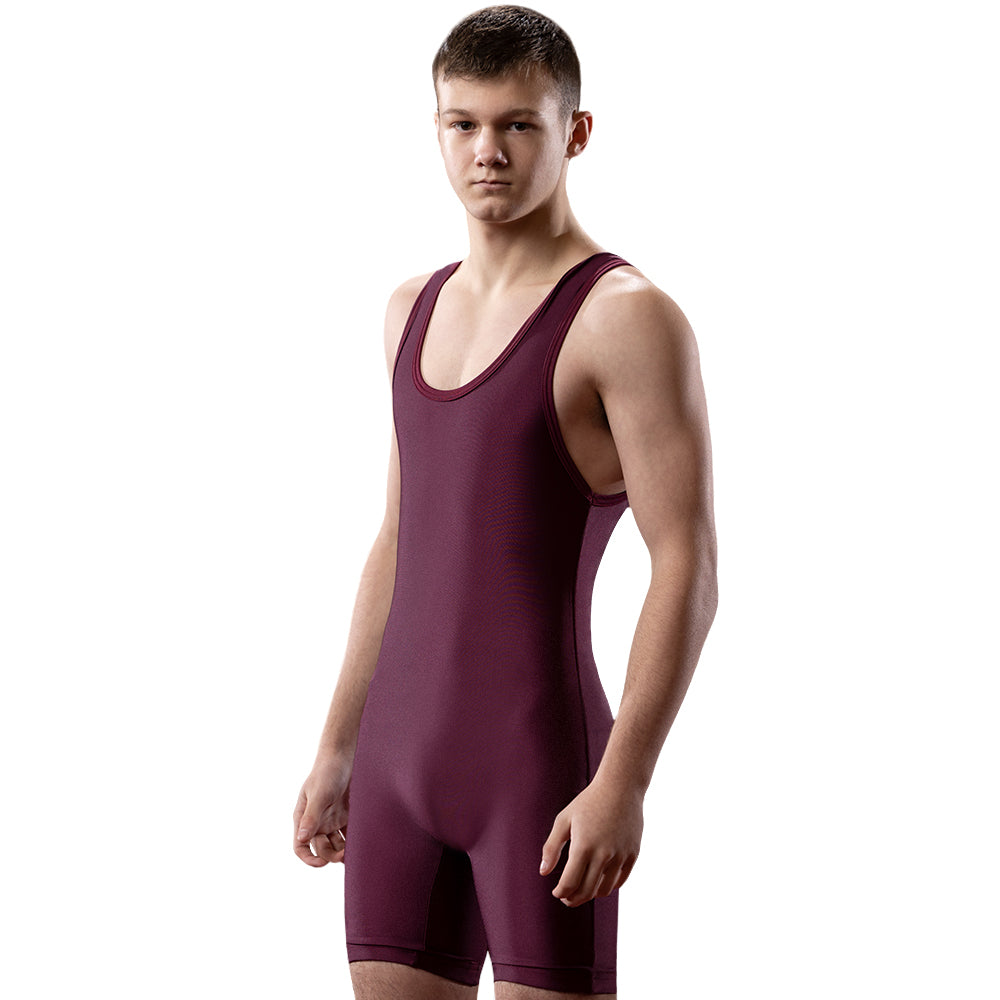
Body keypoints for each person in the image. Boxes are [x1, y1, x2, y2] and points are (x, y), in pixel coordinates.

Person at [293, 6, 718, 998]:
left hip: (539, 768)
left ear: (575, 132)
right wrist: (337, 743)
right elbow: (401, 539)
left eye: (519, 124)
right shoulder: (410, 308)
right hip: (395, 766)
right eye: (465, 123)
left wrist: (624, 780)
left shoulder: (626, 319)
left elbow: (687, 565)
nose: (488, 151)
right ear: (437, 129)